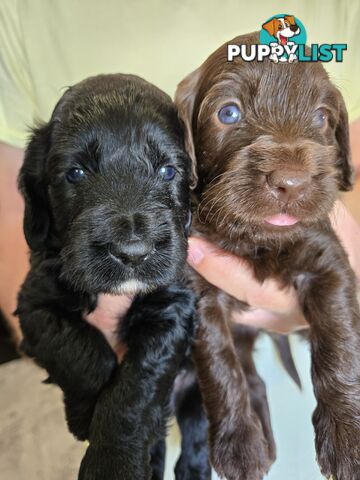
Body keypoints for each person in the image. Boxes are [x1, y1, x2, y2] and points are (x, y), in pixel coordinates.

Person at [0, 1, 359, 478]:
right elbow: (20, 218)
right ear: (189, 144)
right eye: (229, 112)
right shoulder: (19, 16)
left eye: (318, 118)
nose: (290, 167)